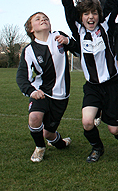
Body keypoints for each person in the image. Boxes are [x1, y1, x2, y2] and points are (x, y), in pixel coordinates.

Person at [56, 0, 118, 163]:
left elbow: (113, 2)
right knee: (87, 122)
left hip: (112, 84)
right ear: (82, 17)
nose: (91, 17)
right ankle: (97, 148)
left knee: (114, 128)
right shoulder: (78, 31)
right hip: (93, 87)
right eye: (86, 14)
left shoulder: (106, 26)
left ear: (99, 15)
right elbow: (68, 8)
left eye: (94, 13)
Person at [16, 12, 78, 162]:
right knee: (34, 118)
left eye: (45, 18)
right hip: (42, 92)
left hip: (61, 95)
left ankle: (61, 143)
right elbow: (21, 77)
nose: (43, 19)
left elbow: (78, 49)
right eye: (37, 19)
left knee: (48, 134)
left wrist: (68, 41)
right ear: (31, 29)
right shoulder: (29, 50)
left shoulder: (58, 36)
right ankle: (40, 148)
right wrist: (32, 91)